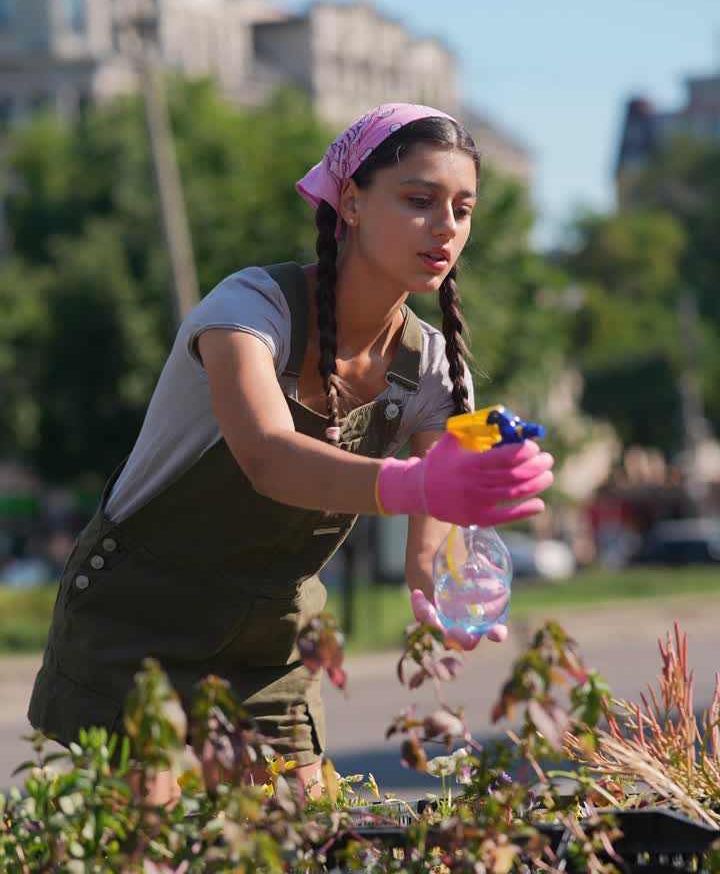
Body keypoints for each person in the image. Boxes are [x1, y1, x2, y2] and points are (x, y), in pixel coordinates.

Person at [29, 103, 554, 796]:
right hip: (139, 618)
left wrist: (454, 593)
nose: (446, 227)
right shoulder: (250, 309)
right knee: (152, 835)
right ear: (352, 202)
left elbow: (431, 549)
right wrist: (417, 485)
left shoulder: (428, 364)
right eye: (419, 200)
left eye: (463, 208)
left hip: (267, 640)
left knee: (301, 835)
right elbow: (268, 457)